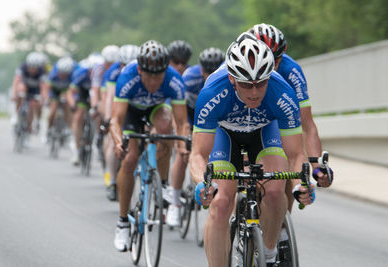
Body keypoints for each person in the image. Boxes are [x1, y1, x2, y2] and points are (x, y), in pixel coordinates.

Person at [189, 33, 315, 266]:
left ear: (270, 77)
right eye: (247, 84)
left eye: (261, 83)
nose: (255, 92)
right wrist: (202, 183)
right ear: (232, 78)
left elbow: (297, 154)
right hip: (225, 135)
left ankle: (268, 255)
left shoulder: (282, 92)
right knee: (220, 202)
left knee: (276, 192)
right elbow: (197, 154)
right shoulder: (212, 93)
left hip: (264, 132)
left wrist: (301, 184)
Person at [110, 40, 191, 252]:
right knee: (129, 159)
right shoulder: (127, 78)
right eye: (149, 76)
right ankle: (122, 222)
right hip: (131, 113)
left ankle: (162, 184)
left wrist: (182, 147)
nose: (155, 81)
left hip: (156, 109)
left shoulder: (174, 80)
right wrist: (119, 143)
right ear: (139, 70)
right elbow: (115, 121)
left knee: (166, 128)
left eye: (159, 76)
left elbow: (182, 123)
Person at [248, 23, 333, 206]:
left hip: (277, 123)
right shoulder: (236, 70)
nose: (270, 67)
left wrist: (317, 167)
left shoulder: (291, 71)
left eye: (275, 60)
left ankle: (281, 228)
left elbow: (307, 126)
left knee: (286, 175)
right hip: (246, 124)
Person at [166, 47, 225, 227]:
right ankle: (174, 203)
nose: (210, 76)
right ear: (201, 70)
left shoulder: (225, 80)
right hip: (190, 115)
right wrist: (180, 140)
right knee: (182, 156)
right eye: (207, 72)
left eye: (214, 71)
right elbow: (179, 116)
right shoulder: (189, 79)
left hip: (215, 117)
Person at [101, 44, 140, 201]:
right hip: (121, 106)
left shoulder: (141, 71)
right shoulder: (114, 72)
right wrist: (109, 118)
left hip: (138, 106)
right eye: (124, 64)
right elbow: (109, 97)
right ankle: (111, 181)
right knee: (113, 141)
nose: (127, 68)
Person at [66, 55, 100, 165]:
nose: (93, 74)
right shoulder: (81, 74)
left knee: (99, 114)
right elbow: (70, 92)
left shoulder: (103, 74)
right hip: (83, 96)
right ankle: (76, 149)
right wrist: (72, 104)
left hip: (97, 97)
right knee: (78, 116)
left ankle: (98, 137)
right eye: (91, 71)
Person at [11, 52, 47, 134]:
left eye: (35, 68)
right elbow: (16, 81)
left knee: (33, 105)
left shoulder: (42, 71)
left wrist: (43, 98)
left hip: (35, 89)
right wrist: (14, 94)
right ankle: (16, 116)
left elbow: (43, 87)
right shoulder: (23, 67)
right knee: (20, 90)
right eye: (31, 67)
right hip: (24, 87)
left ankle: (30, 125)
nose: (33, 70)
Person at [43, 56, 76, 137]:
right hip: (55, 92)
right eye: (61, 73)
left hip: (66, 92)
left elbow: (72, 91)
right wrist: (46, 99)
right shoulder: (53, 74)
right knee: (53, 111)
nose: (62, 76)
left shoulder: (73, 76)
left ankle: (67, 126)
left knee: (67, 107)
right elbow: (46, 88)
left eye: (65, 74)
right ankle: (49, 129)